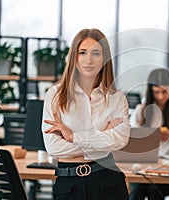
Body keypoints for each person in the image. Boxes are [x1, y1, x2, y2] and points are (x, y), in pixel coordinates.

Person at [42, 28, 130, 200]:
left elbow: (121, 139)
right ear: (74, 57)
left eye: (96, 53)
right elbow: (53, 147)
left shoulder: (117, 98)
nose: (89, 60)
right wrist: (103, 137)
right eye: (83, 52)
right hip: (69, 185)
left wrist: (73, 137)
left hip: (108, 181)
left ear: (105, 58)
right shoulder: (55, 95)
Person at [129, 68, 169, 200]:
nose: (161, 97)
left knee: (154, 190)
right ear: (150, 91)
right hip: (145, 164)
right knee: (136, 191)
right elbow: (131, 142)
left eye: (165, 92)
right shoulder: (141, 111)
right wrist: (148, 138)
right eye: (156, 92)